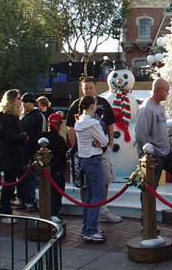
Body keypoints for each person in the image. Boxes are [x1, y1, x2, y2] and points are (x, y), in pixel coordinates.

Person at [66, 77, 121, 223]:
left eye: (90, 88)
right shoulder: (77, 105)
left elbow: (110, 124)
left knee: (105, 179)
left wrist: (109, 143)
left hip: (102, 152)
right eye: (86, 88)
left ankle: (102, 210)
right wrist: (75, 147)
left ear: (95, 87)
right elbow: (70, 128)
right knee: (86, 184)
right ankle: (89, 212)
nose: (88, 90)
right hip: (84, 153)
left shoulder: (103, 103)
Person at [75, 95, 108, 244]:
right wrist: (99, 141)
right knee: (98, 194)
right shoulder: (93, 122)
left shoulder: (80, 121)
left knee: (89, 195)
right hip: (93, 159)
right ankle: (90, 230)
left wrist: (98, 141)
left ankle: (87, 227)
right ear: (92, 106)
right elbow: (104, 140)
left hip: (84, 159)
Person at [0, 90, 27, 222]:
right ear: (12, 100)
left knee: (10, 184)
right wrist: (23, 136)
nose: (21, 101)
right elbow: (8, 137)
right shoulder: (7, 117)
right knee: (8, 184)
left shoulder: (11, 117)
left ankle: (7, 209)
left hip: (13, 155)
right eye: (19, 98)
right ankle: (5, 211)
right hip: (10, 156)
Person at [135, 78, 172, 187]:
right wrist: (151, 153)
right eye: (166, 90)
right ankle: (145, 205)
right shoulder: (146, 108)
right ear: (158, 90)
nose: (168, 93)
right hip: (154, 156)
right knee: (149, 189)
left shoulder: (160, 106)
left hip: (165, 152)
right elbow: (140, 135)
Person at [18, 92, 45, 211]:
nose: (24, 104)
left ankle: (30, 200)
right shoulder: (23, 115)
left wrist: (36, 151)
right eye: (23, 102)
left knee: (31, 178)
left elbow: (41, 134)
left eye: (26, 102)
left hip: (32, 151)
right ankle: (23, 199)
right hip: (23, 151)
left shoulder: (38, 116)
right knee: (23, 177)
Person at [41, 113, 68, 219]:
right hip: (57, 170)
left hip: (45, 170)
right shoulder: (60, 140)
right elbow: (64, 155)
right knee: (57, 192)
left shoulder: (42, 137)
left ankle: (47, 211)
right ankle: (54, 212)